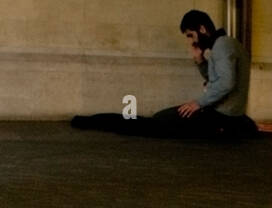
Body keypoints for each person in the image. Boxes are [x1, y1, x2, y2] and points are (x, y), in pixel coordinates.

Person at [71, 10, 258, 139]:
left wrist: (197, 103)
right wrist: (200, 60)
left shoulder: (222, 46)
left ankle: (88, 121)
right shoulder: (224, 45)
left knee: (152, 124)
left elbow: (226, 83)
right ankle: (90, 121)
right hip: (221, 114)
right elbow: (215, 81)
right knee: (160, 119)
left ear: (202, 29)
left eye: (190, 35)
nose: (191, 41)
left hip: (217, 115)